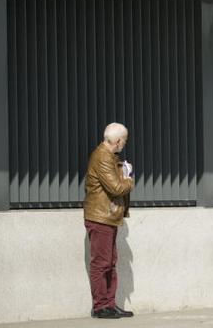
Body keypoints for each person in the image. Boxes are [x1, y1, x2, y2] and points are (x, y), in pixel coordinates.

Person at [83, 123, 135, 319]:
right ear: (119, 140)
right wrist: (129, 178)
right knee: (101, 263)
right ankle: (100, 307)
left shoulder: (109, 156)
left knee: (110, 262)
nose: (125, 144)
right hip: (100, 217)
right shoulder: (102, 156)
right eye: (125, 140)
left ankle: (109, 304)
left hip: (107, 216)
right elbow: (116, 188)